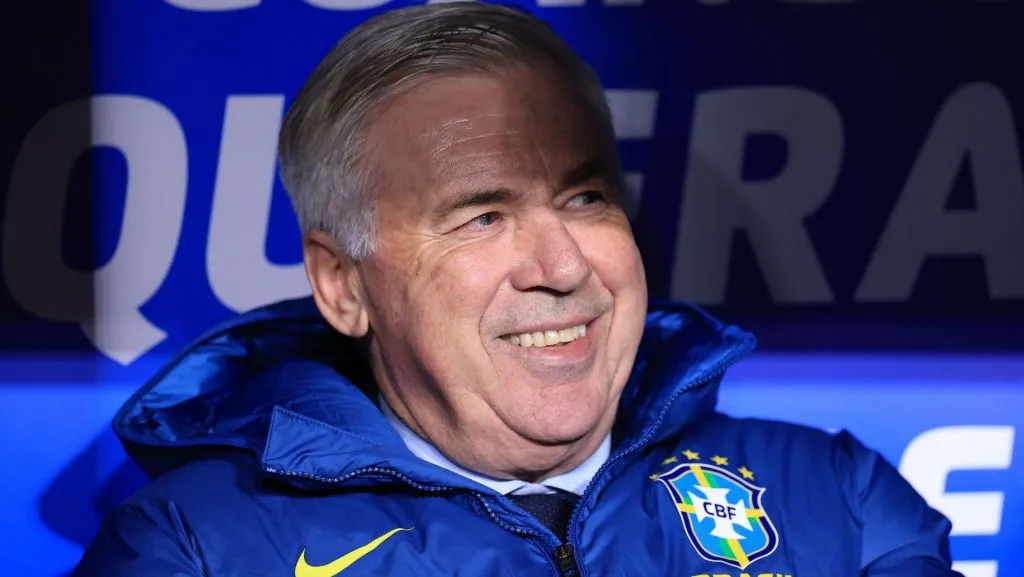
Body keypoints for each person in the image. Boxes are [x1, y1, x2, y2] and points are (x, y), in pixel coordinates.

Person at [74, 3, 961, 576]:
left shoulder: (838, 500)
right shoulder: (192, 549)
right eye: (481, 216)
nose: (564, 265)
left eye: (585, 196)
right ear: (343, 286)